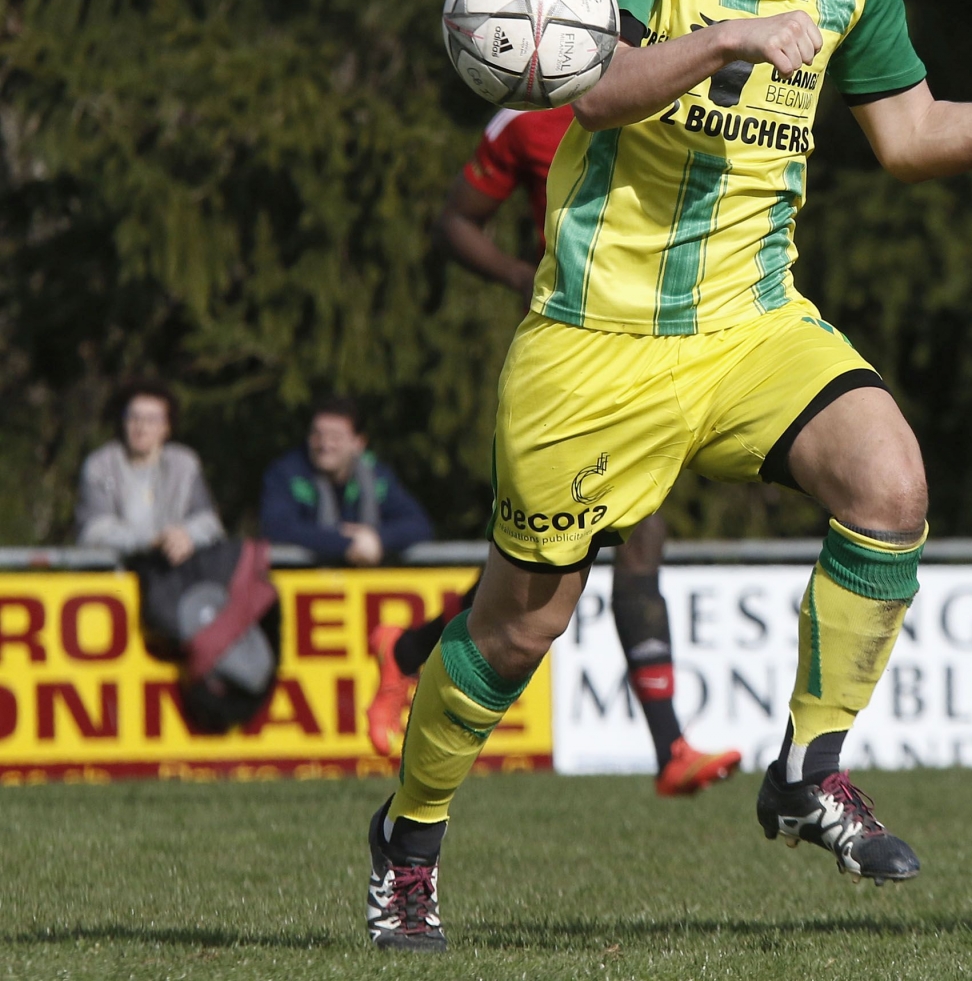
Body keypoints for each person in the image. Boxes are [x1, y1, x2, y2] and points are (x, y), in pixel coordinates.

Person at [363, 0, 972, 952]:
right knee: (520, 623)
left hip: (754, 324)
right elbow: (594, 89)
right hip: (596, 342)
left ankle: (805, 771)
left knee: (890, 483)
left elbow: (913, 134)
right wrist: (725, 38)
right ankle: (409, 838)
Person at [363, 103, 742, 802]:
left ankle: (670, 747)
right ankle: (412, 654)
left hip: (661, 353)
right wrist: (518, 276)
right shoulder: (527, 114)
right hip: (569, 360)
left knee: (629, 535)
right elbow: (456, 221)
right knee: (548, 566)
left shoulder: (677, 81)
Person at [260, 398, 433, 564]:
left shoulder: (377, 477)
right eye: (317, 434)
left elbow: (418, 525)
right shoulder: (285, 474)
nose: (325, 445)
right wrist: (345, 544)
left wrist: (377, 539)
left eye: (336, 436)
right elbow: (277, 528)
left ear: (358, 442)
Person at [76, 380, 224, 564]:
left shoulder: (184, 464)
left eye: (151, 419)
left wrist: (186, 536)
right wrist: (150, 541)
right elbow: (93, 531)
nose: (141, 427)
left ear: (166, 427)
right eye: (134, 417)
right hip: (117, 578)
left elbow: (209, 523)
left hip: (175, 575)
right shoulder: (99, 465)